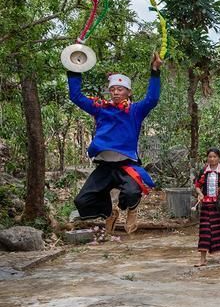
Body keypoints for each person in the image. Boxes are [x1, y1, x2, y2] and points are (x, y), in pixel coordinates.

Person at [67, 52, 163, 234]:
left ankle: (132, 210)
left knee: (132, 193)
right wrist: (74, 68)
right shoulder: (100, 109)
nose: (116, 92)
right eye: (113, 89)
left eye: (120, 89)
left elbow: (152, 99)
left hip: (126, 166)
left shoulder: (135, 111)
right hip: (104, 167)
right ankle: (110, 213)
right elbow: (76, 96)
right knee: (82, 201)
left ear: (128, 92)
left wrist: (155, 71)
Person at [193, 148, 220, 267]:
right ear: (207, 158)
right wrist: (200, 193)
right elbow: (197, 186)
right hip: (206, 205)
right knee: (204, 231)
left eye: (214, 156)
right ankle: (202, 258)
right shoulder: (203, 171)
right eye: (210, 157)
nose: (212, 159)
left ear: (219, 158)